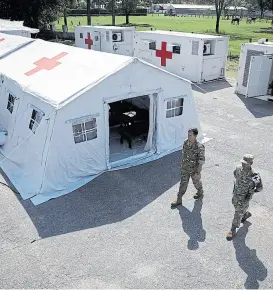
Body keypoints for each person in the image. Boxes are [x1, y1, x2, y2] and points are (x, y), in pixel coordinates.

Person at [226, 154, 263, 241]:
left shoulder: (254, 175)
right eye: (243, 162)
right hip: (236, 193)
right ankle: (245, 214)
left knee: (238, 212)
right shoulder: (238, 168)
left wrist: (251, 192)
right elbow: (235, 175)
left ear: (251, 163)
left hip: (245, 197)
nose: (243, 164)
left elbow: (259, 188)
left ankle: (233, 229)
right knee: (235, 205)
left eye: (245, 163)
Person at [171, 128, 205, 207]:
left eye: (190, 135)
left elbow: (201, 161)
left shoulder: (200, 146)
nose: (189, 136)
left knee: (196, 183)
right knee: (183, 184)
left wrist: (198, 171)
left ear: (195, 135)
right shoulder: (186, 142)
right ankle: (179, 199)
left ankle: (200, 191)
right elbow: (184, 154)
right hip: (185, 168)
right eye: (188, 134)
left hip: (194, 170)